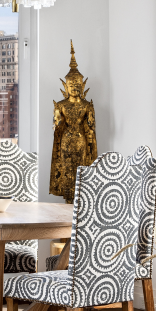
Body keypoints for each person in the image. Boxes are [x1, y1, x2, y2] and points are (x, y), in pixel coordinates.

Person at [49, 42, 97, 204]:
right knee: (67, 170)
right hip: (66, 142)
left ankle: (79, 201)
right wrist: (57, 119)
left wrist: (91, 121)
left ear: (82, 85)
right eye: (72, 84)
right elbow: (57, 127)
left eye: (78, 84)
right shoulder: (61, 105)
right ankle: (68, 199)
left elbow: (90, 130)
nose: (75, 87)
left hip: (81, 141)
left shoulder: (86, 105)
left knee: (81, 171)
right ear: (66, 86)